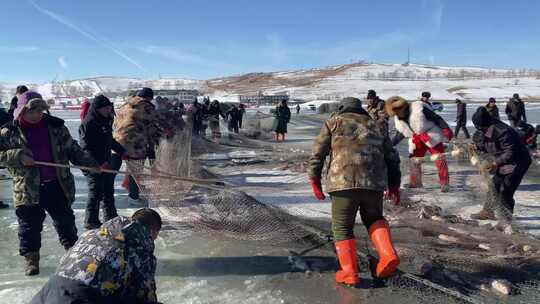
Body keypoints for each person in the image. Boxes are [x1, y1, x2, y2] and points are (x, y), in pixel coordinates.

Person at [0, 91, 98, 276]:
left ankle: (72, 255)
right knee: (29, 227)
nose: (36, 115)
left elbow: (73, 149)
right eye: (32, 111)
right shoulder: (9, 131)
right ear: (21, 111)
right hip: (27, 189)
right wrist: (18, 155)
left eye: (40, 110)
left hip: (57, 185)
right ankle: (31, 259)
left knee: (66, 223)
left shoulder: (56, 127)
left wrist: (89, 163)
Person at [307, 97, 401, 286]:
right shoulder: (376, 126)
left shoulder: (333, 123)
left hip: (343, 183)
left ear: (341, 108)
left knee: (342, 227)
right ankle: (388, 255)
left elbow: (318, 154)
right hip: (374, 184)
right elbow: (392, 157)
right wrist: (394, 185)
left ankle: (349, 272)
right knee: (374, 219)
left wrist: (314, 180)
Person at [30, 208, 162, 304]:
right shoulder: (139, 247)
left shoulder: (92, 234)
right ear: (151, 231)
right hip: (83, 298)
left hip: (47, 294)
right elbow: (144, 295)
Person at [470, 107, 531, 222]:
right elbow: (487, 144)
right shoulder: (485, 129)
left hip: (517, 162)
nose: (479, 130)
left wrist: (495, 163)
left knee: (506, 190)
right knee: (494, 185)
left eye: (481, 128)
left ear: (486, 124)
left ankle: (506, 220)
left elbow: (510, 152)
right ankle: (488, 212)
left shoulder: (504, 132)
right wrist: (477, 147)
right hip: (503, 161)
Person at [387, 96, 453, 192]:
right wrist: (391, 144)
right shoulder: (398, 118)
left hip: (431, 135)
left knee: (439, 158)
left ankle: (444, 183)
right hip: (417, 139)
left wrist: (445, 128)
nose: (397, 115)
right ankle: (415, 183)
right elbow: (401, 133)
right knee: (414, 160)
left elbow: (436, 118)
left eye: (398, 111)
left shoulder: (418, 108)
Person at [79, 95, 126, 230]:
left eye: (109, 108)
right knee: (96, 191)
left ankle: (110, 217)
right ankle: (91, 221)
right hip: (92, 164)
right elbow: (85, 148)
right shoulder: (88, 123)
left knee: (108, 190)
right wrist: (96, 164)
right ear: (98, 109)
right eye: (106, 108)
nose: (108, 110)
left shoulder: (105, 121)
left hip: (105, 161)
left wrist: (122, 151)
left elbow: (110, 141)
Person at [113, 88, 161, 206]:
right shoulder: (146, 106)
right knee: (136, 171)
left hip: (117, 142)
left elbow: (115, 123)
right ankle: (133, 197)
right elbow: (153, 125)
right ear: (149, 98)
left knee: (114, 171)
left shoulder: (125, 105)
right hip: (135, 143)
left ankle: (105, 195)